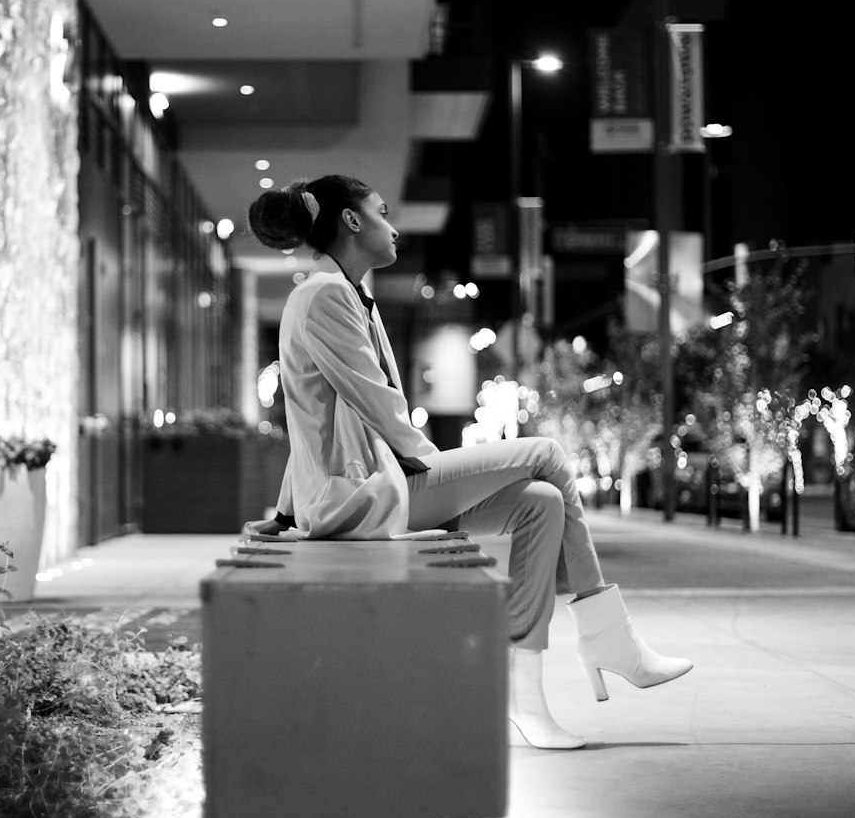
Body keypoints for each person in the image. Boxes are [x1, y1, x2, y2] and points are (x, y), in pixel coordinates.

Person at [246, 175, 692, 750]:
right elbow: (375, 404)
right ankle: (609, 636)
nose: (394, 224)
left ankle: (527, 703)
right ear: (353, 222)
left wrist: (286, 513)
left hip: (364, 492)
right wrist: (436, 469)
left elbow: (310, 421)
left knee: (543, 504)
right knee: (547, 455)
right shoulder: (324, 296)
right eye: (382, 212)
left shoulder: (350, 296)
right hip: (365, 499)